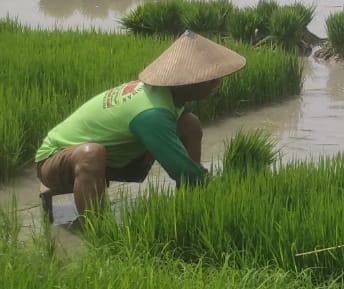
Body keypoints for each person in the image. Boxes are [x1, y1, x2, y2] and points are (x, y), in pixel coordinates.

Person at [35, 31, 245, 219]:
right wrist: (226, 191)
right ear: (188, 82)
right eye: (209, 78)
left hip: (112, 158)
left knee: (190, 124)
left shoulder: (169, 96)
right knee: (91, 153)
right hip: (55, 159)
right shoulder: (152, 113)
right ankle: (96, 231)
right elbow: (181, 168)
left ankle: (190, 202)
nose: (216, 82)